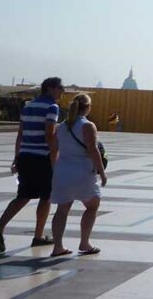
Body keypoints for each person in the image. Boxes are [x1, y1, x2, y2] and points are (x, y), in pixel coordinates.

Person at [0, 77, 65, 252]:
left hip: (25, 156)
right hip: (42, 158)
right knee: (46, 197)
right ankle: (38, 236)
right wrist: (55, 158)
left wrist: (17, 157)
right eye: (61, 88)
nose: (63, 91)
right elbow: (50, 135)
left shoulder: (28, 106)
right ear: (50, 89)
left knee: (23, 195)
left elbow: (20, 134)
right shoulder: (52, 107)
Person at [49, 93, 107, 257]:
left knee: (62, 210)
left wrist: (55, 169)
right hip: (83, 171)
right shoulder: (87, 125)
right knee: (92, 206)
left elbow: (54, 150)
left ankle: (58, 246)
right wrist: (101, 172)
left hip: (63, 170)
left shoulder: (61, 127)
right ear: (87, 107)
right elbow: (93, 150)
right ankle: (84, 242)